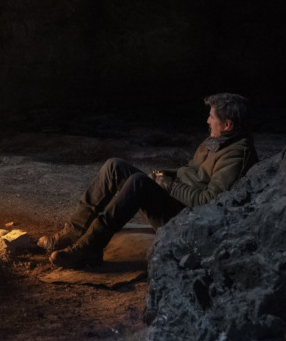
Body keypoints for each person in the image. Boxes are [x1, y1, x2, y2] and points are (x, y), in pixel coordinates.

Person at [41, 93, 259, 269]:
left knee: (138, 182)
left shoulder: (236, 155)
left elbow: (209, 201)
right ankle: (73, 232)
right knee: (114, 166)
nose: (207, 121)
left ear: (227, 124)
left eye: (212, 117)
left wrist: (168, 185)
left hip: (186, 220)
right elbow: (191, 170)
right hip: (175, 200)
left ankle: (90, 247)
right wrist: (163, 174)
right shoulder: (218, 140)